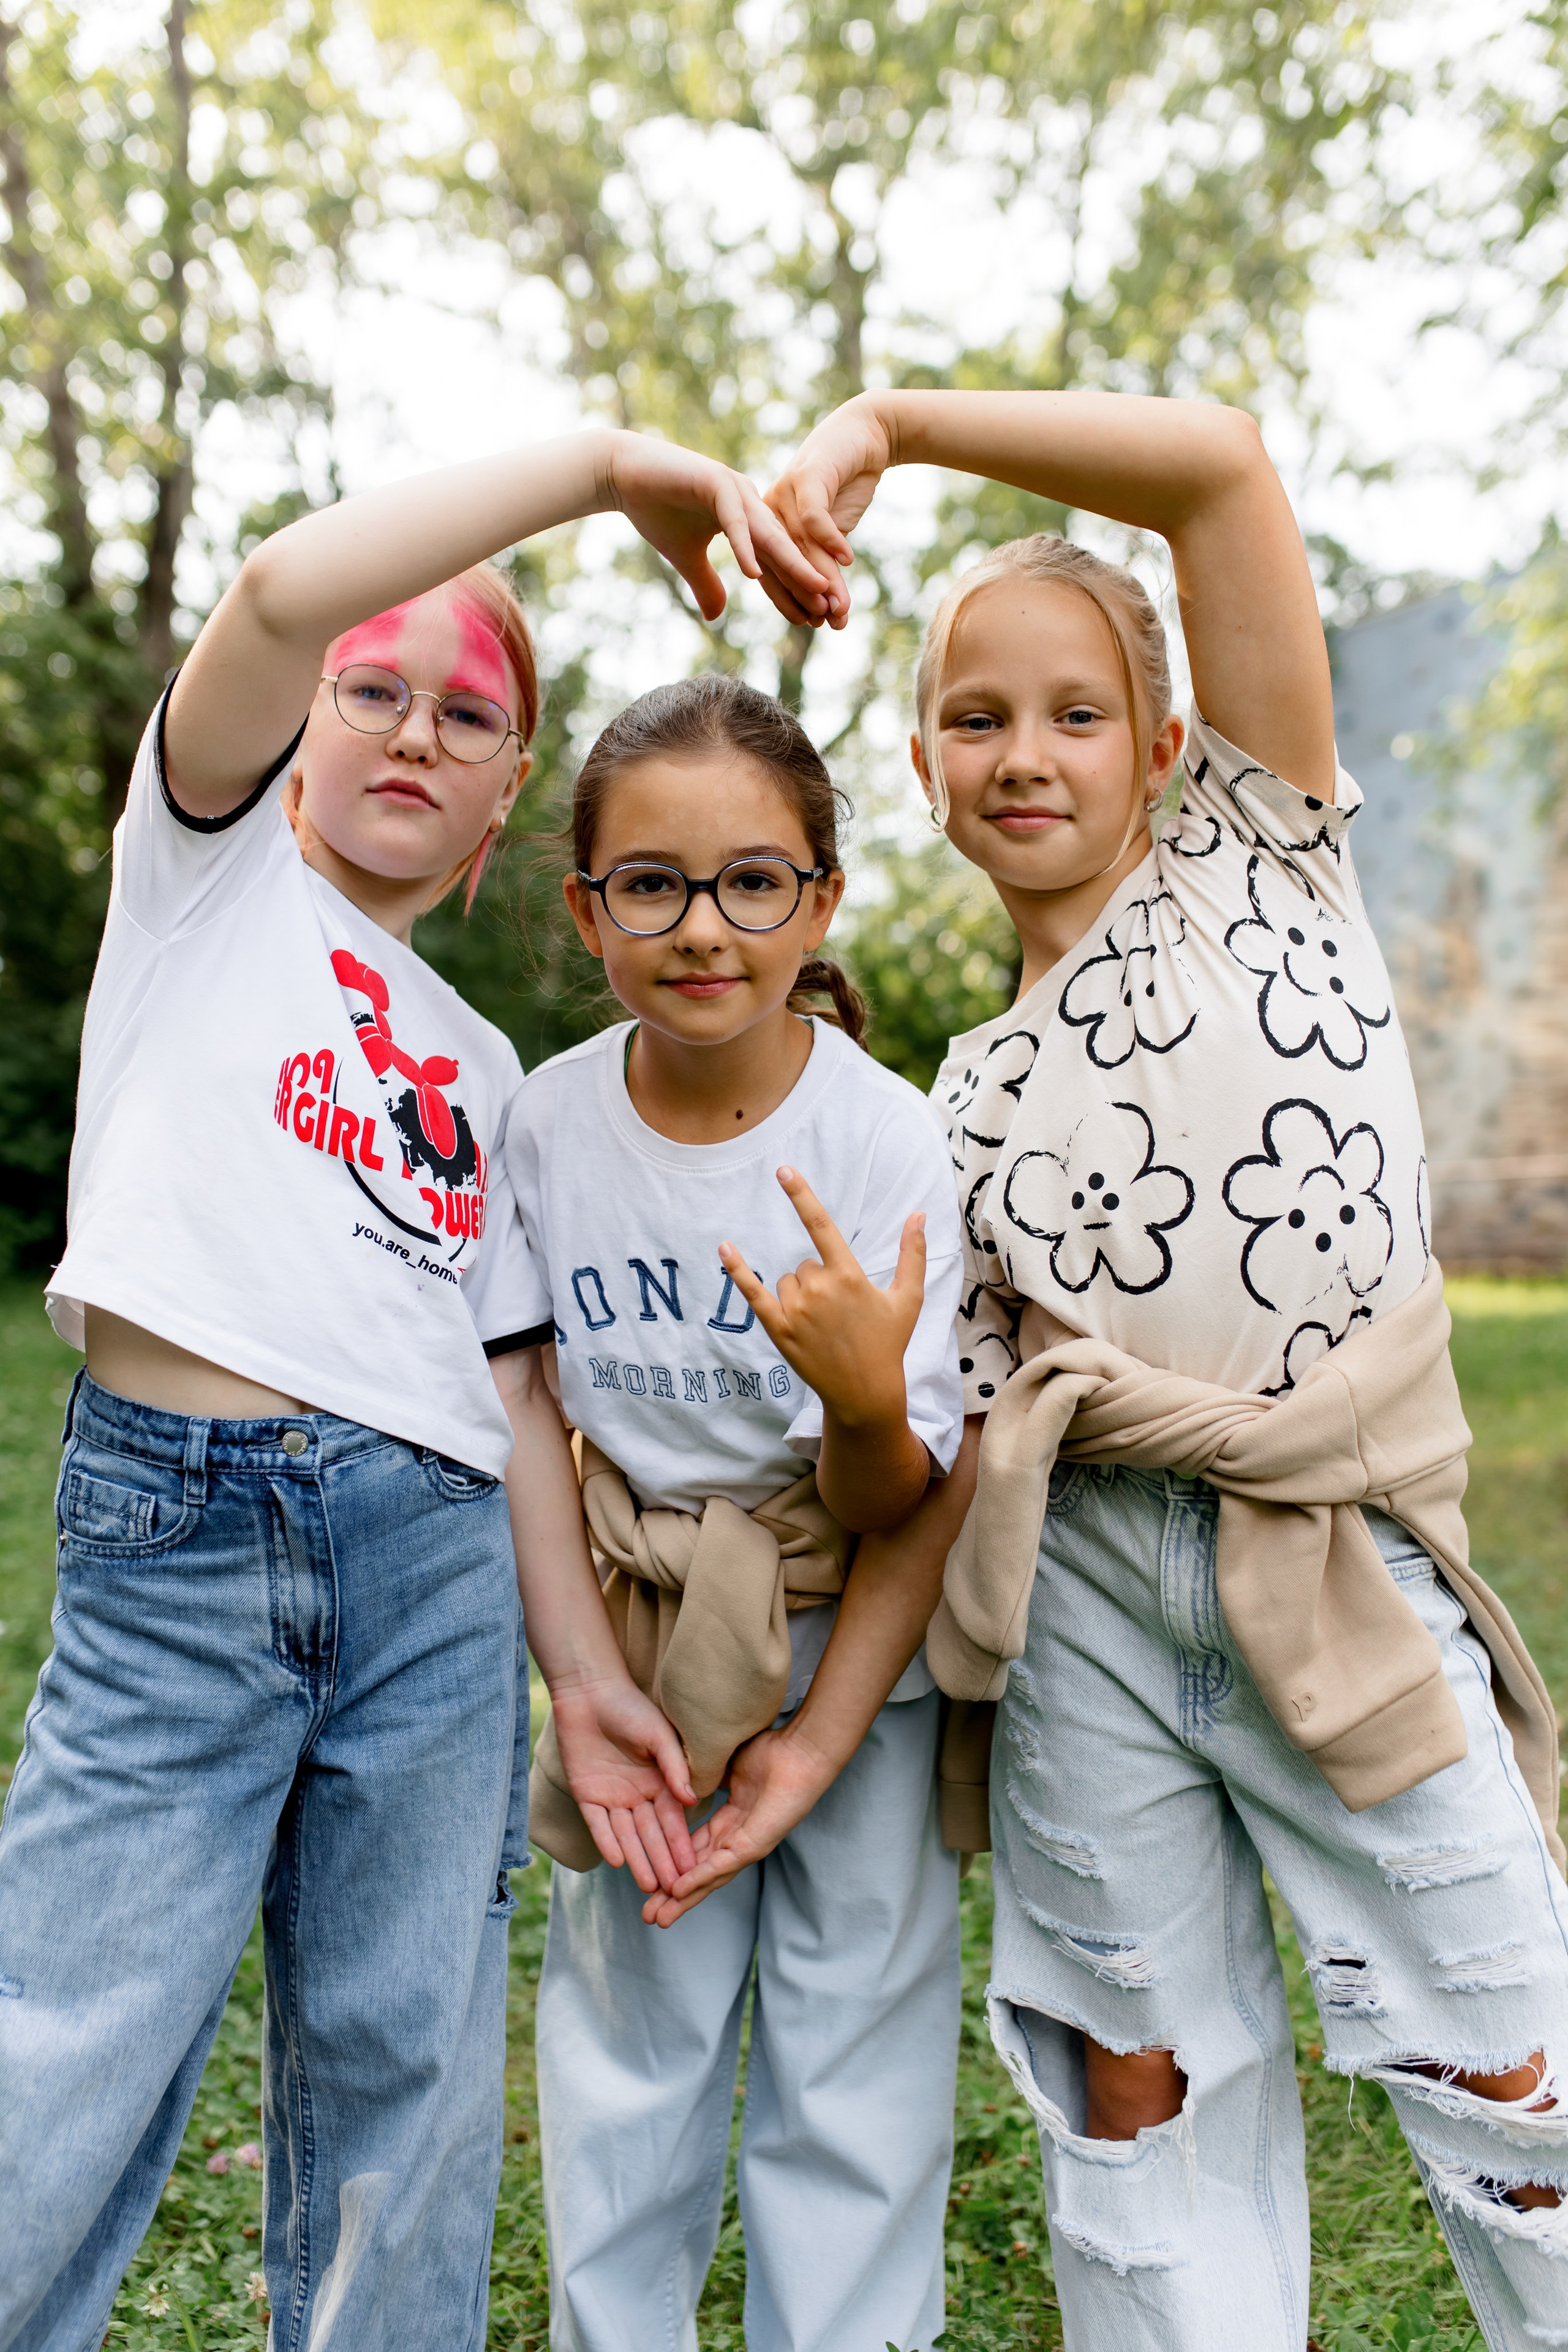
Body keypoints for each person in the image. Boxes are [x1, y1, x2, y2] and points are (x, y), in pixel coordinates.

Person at [0, 432, 833, 2352]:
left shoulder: (483, 1072)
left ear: (506, 795)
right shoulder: (197, 878)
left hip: (438, 1580)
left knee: (413, 2073)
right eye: (373, 688)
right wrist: (609, 471)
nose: (409, 729)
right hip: (185, 1533)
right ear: (302, 718)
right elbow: (286, 587)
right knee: (69, 2037)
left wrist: (590, 1680)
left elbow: (512, 1409)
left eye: (467, 715)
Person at [766, 390, 1568, 2350]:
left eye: (1070, 712)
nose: (1023, 752)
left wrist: (894, 423)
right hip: (1088, 1615)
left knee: (1517, 2080)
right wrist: (867, 1397)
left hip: (1331, 1564)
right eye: (974, 719)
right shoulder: (945, 1108)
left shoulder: (1260, 867)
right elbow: (920, 1477)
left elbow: (1216, 464)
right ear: (931, 775)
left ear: (1168, 748)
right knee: (1137, 2111)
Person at [489, 673, 970, 2352]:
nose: (704, 929)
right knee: (631, 2054)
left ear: (821, 898)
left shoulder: (890, 1145)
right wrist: (582, 1683)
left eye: (754, 881)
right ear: (588, 905)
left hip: (856, 1648)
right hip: (642, 1647)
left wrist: (858, 1398)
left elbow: (913, 1499)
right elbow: (528, 1414)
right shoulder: (544, 1124)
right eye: (653, 884)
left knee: (857, 2053)